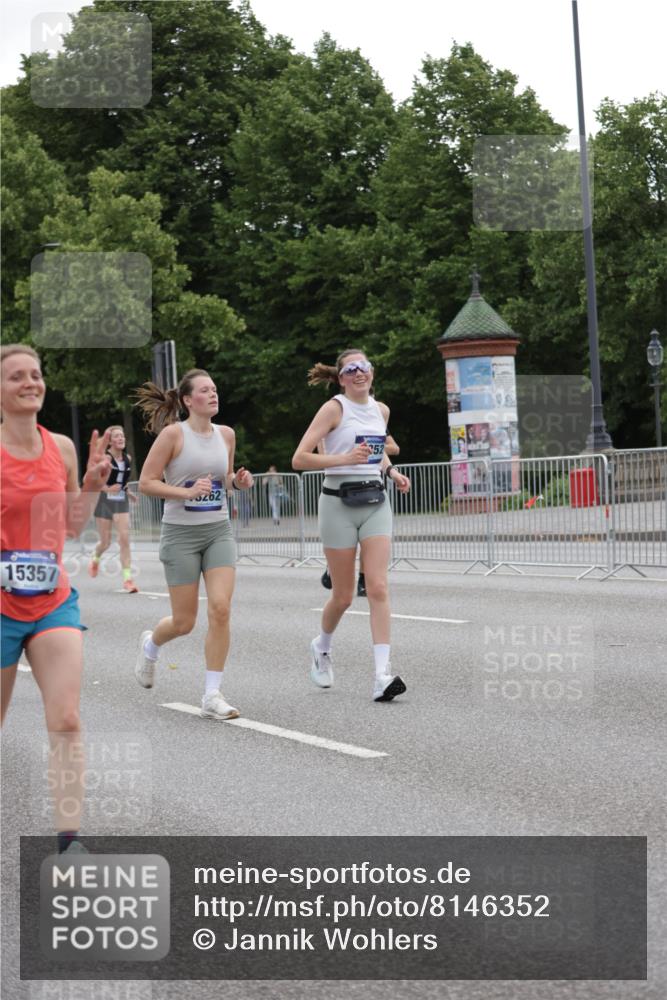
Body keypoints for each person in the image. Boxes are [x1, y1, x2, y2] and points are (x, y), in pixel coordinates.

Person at [1, 344, 111, 853]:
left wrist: (89, 485)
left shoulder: (61, 448)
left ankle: (70, 843)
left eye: (35, 375)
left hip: (50, 599)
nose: (29, 382)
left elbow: (68, 526)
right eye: (16, 377)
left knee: (66, 719)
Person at [133, 369, 253, 720]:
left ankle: (212, 694)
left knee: (220, 608)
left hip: (217, 530)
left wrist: (239, 482)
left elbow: (225, 481)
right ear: (188, 400)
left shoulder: (226, 435)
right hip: (180, 535)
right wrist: (186, 491)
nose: (214, 394)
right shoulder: (173, 435)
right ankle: (151, 644)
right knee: (184, 622)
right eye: (205, 390)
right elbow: (146, 482)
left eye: (215, 389)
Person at [292, 349, 411, 702]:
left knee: (377, 587)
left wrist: (391, 470)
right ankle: (322, 647)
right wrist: (343, 458)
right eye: (351, 369)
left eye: (365, 367)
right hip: (337, 503)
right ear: (342, 377)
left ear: (372, 373)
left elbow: (376, 449)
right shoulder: (334, 409)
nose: (360, 373)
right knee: (343, 596)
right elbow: (299, 458)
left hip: (375, 501)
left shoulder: (381, 409)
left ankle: (381, 676)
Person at [320, 433, 401, 596]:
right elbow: (323, 457)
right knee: (343, 596)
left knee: (369, 541)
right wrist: (349, 454)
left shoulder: (377, 416)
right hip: (340, 488)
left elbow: (395, 448)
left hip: (371, 488)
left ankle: (364, 579)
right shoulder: (333, 417)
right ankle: (334, 565)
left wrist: (371, 450)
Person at [88, 425, 139, 592]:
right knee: (105, 542)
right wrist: (107, 489)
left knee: (124, 538)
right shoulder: (104, 459)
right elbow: (92, 483)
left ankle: (127, 579)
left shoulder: (128, 459)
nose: (121, 438)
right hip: (104, 501)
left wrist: (128, 493)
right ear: (109, 441)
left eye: (122, 436)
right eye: (117, 436)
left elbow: (121, 482)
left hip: (120, 502)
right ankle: (95, 557)